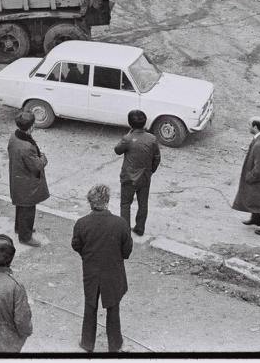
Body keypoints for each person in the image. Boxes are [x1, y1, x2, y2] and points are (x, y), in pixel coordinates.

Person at [70, 184, 133, 353]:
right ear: (107, 201)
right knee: (113, 307)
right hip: (113, 273)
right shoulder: (120, 223)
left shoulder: (81, 223)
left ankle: (87, 343)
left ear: (90, 202)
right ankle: (115, 344)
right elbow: (127, 251)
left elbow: (76, 245)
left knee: (90, 305)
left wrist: (87, 256)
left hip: (91, 272)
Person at [114, 109, 160, 237]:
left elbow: (117, 150)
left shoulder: (128, 138)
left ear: (130, 123)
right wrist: (151, 171)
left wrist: (129, 133)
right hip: (145, 177)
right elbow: (157, 158)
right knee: (143, 203)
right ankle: (140, 228)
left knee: (125, 204)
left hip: (128, 177)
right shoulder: (152, 139)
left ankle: (125, 231)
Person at [7, 110, 49, 247]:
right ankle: (25, 237)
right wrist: (43, 158)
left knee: (21, 206)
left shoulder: (14, 136)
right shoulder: (27, 147)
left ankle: (20, 228)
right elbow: (37, 166)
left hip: (18, 178)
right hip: (27, 183)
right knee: (28, 209)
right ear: (31, 127)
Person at [232, 117, 260, 236]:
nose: (248, 127)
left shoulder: (259, 145)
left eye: (249, 125)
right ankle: (256, 219)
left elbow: (259, 168)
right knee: (255, 199)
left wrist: (250, 177)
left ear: (255, 127)